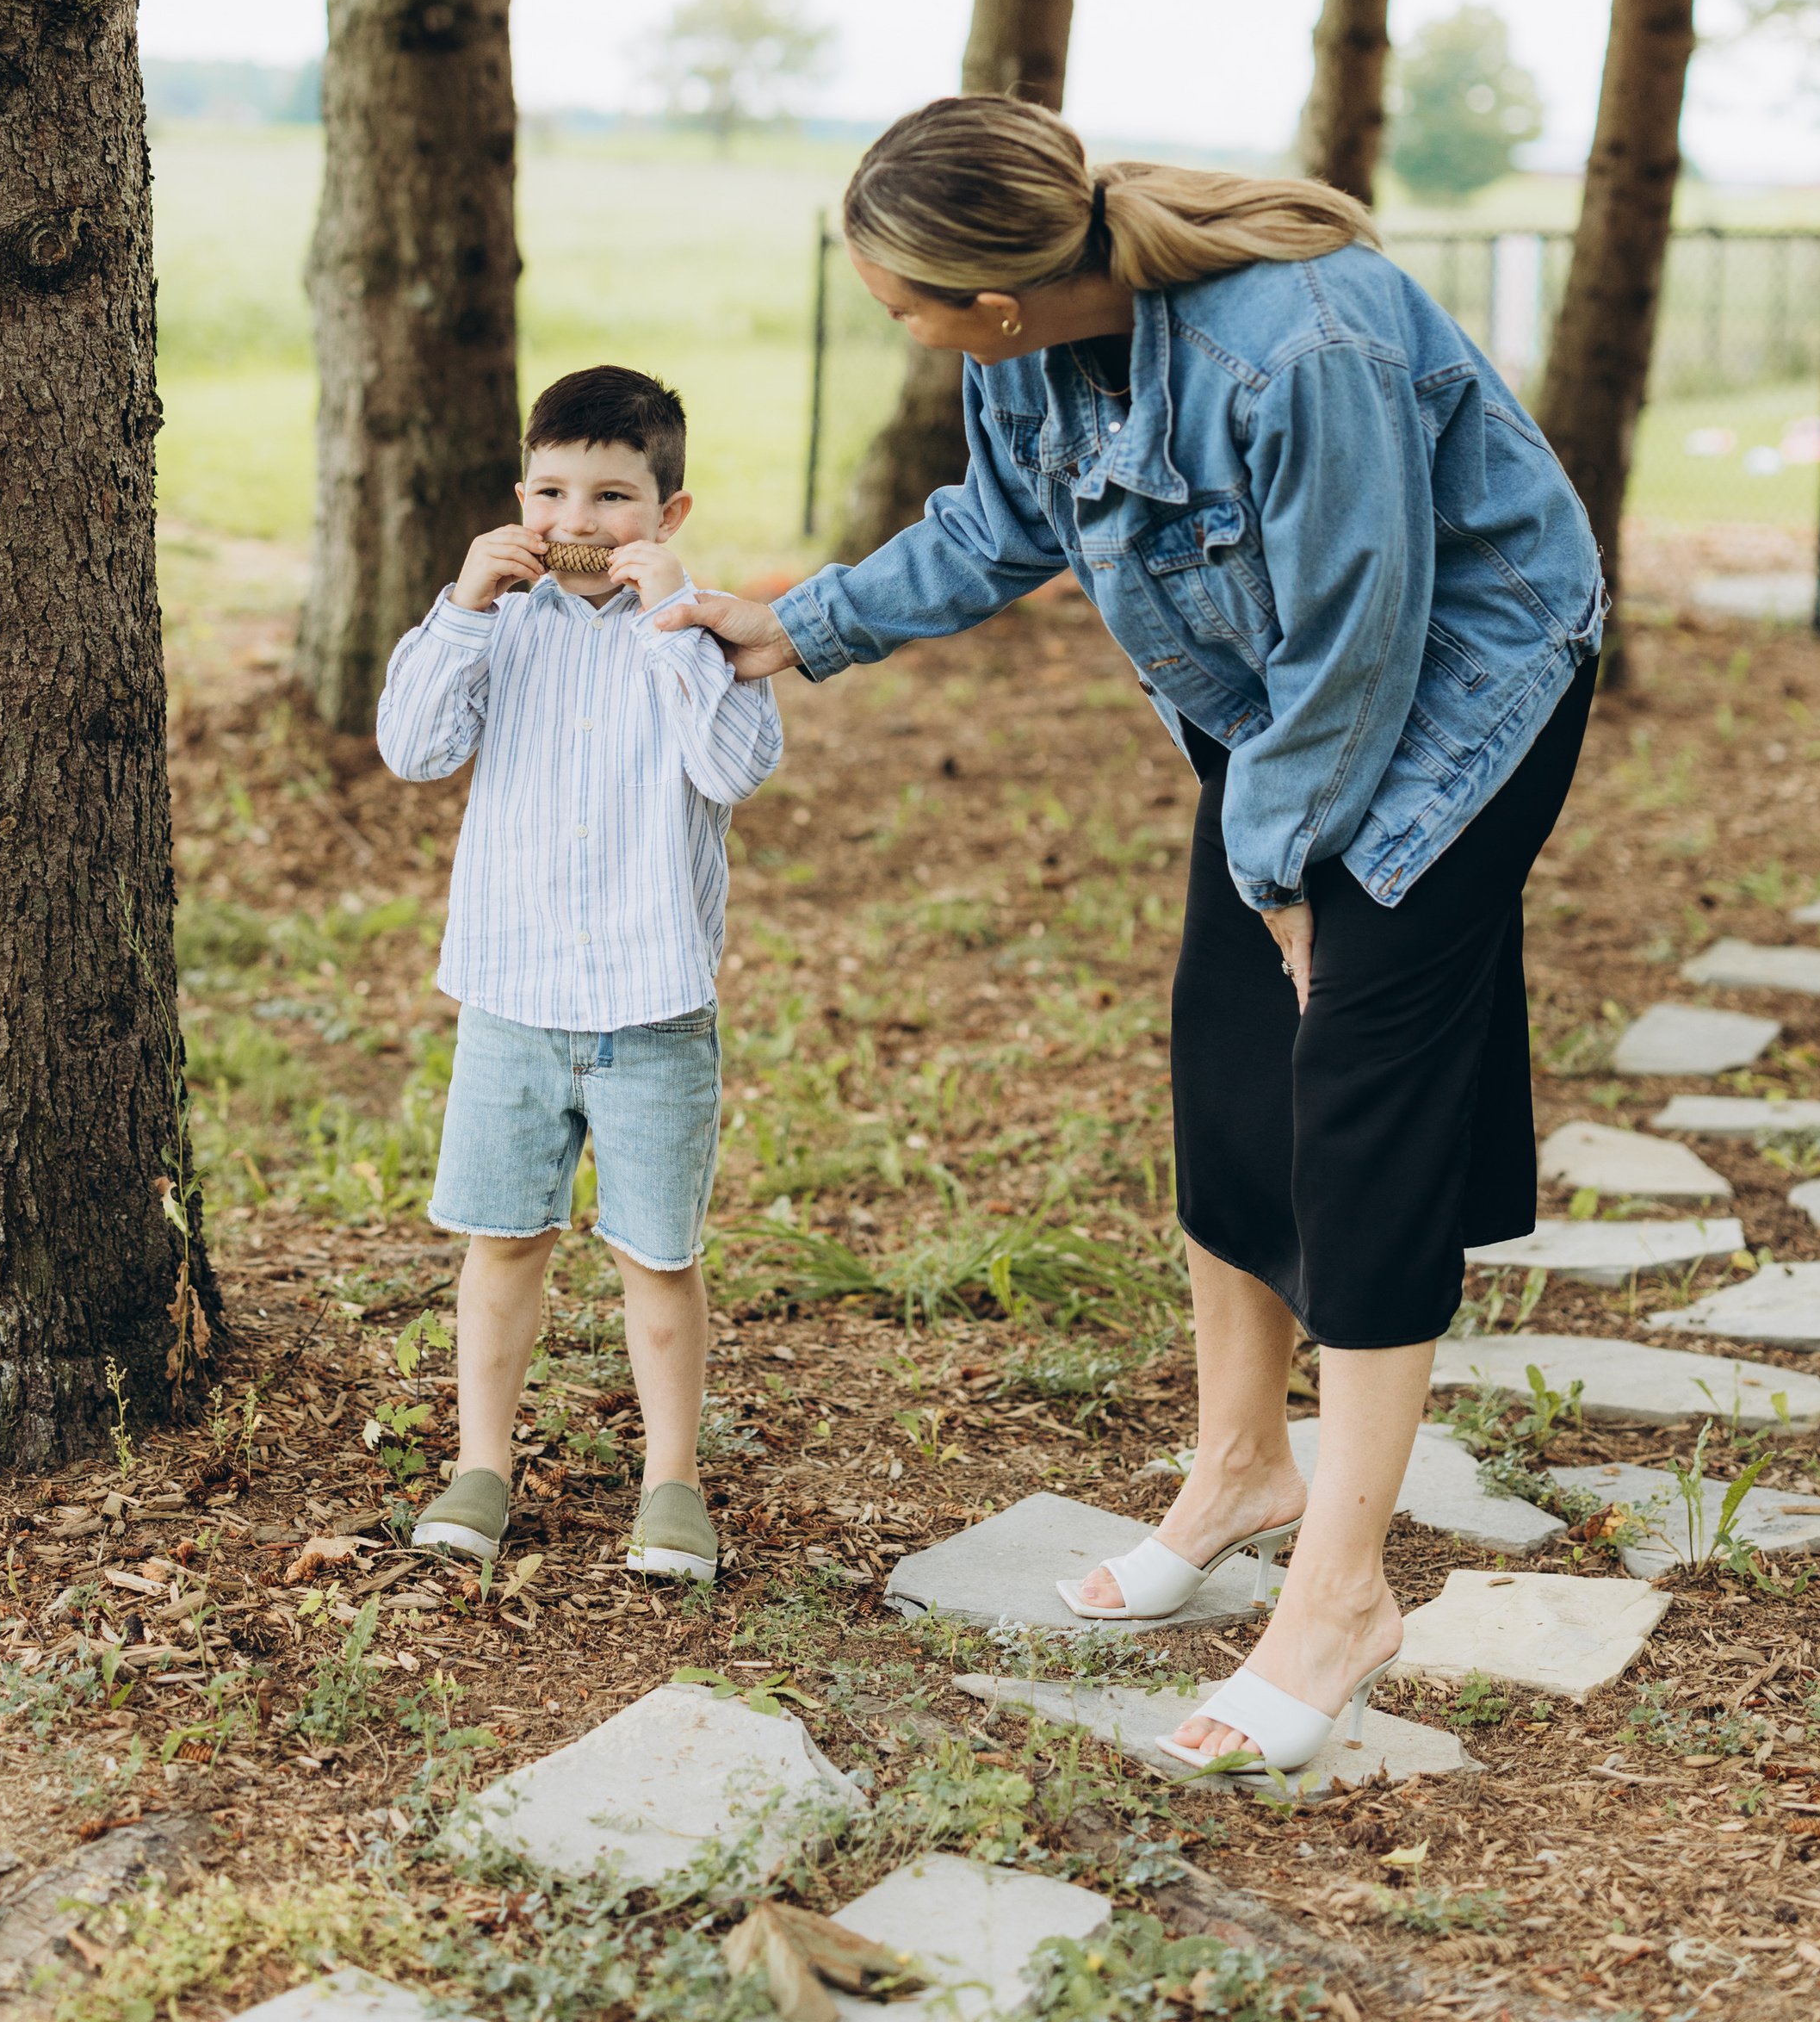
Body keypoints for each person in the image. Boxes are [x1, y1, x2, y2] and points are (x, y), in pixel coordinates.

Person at [659, 96, 1603, 1776]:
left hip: (1461, 680)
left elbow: (1362, 640)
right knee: (1231, 1069)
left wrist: (1296, 879)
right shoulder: (1028, 351)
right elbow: (995, 525)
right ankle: (1241, 1464)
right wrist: (791, 629)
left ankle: (1338, 1598)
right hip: (1291, 695)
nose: (907, 333)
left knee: (1356, 1109)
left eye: (904, 310)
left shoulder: (1291, 350)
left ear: (993, 297)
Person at [375, 363, 782, 1587]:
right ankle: (481, 1463)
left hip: (654, 1008)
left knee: (657, 1256)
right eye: (553, 492)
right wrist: (461, 605)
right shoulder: (493, 628)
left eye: (614, 497)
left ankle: (672, 1484)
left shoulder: (708, 641)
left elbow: (731, 769)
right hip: (514, 998)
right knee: (503, 1244)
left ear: (668, 516)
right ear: (519, 499)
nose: (579, 522)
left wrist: (677, 626)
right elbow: (412, 747)